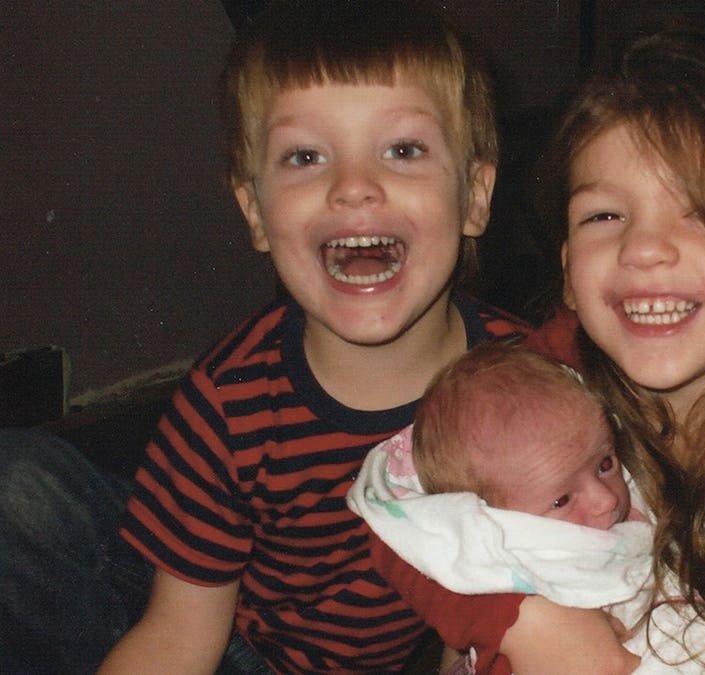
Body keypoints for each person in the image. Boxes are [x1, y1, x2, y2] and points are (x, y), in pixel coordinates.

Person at [368, 25, 705, 675]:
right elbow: (390, 506)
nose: (644, 249)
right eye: (605, 216)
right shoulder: (550, 370)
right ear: (569, 266)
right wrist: (525, 623)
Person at [89, 1, 529, 671]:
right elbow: (180, 636)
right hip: (240, 640)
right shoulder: (227, 404)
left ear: (474, 195)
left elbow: (497, 614)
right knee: (22, 492)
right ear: (255, 212)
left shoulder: (530, 379)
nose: (353, 186)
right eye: (305, 156)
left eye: (403, 149)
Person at [350, 342, 705, 673]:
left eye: (605, 464)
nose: (606, 499)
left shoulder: (559, 413)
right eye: (561, 500)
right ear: (494, 516)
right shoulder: (502, 549)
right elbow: (411, 535)